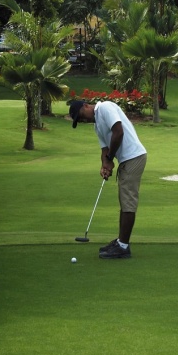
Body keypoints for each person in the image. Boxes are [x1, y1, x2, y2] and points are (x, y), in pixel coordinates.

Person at [69, 98, 147, 259]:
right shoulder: (97, 126)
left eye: (81, 115)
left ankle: (123, 246)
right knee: (124, 200)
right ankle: (121, 242)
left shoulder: (105, 107)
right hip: (126, 159)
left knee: (128, 201)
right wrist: (105, 165)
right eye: (79, 120)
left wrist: (111, 158)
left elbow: (119, 131)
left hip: (134, 157)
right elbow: (104, 149)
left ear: (86, 106)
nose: (82, 120)